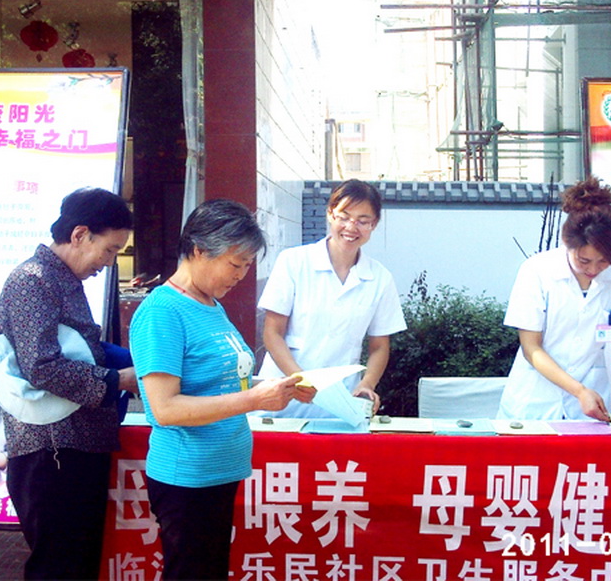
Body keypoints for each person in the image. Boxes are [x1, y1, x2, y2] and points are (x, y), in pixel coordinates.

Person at [129, 199, 301, 581]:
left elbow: (221, 381)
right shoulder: (163, 311)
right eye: (235, 264)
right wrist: (254, 399)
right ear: (198, 250)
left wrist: (277, 388)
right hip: (187, 477)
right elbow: (165, 409)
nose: (241, 275)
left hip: (217, 471)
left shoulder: (209, 303)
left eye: (247, 265)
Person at [0, 187, 137, 580]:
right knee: (58, 567)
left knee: (78, 564)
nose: (109, 262)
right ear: (79, 235)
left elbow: (81, 353)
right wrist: (117, 380)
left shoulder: (62, 281)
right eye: (109, 250)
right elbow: (42, 367)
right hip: (51, 452)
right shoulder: (32, 280)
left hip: (76, 446)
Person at [497, 176, 611, 422]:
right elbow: (531, 348)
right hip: (533, 403)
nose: (593, 269)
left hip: (591, 406)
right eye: (584, 261)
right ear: (567, 243)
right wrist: (579, 391)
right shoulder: (537, 271)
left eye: (604, 261)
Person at [257, 179, 407, 418]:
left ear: (374, 224)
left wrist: (367, 383)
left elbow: (379, 346)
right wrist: (300, 380)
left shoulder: (380, 278)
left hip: (340, 402)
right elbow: (272, 333)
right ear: (330, 214)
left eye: (363, 221)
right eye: (344, 217)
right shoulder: (293, 262)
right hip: (282, 395)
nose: (351, 227)